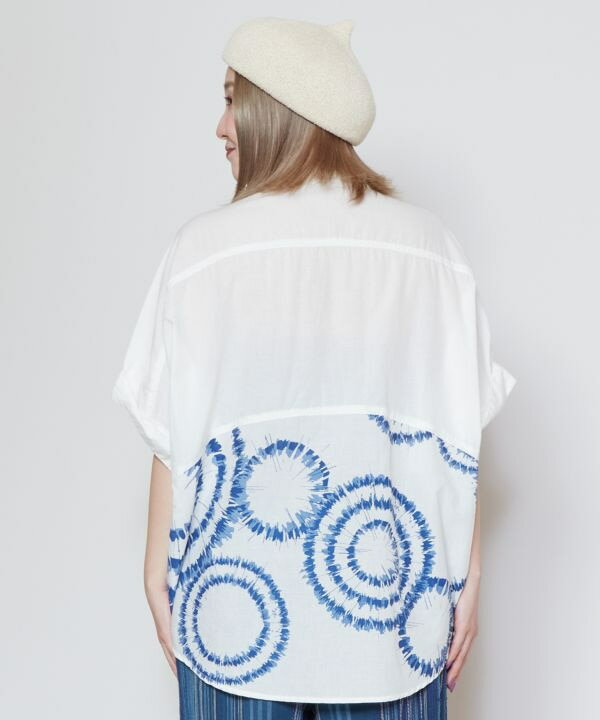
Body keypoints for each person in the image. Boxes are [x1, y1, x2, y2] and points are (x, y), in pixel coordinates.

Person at [112, 16, 517, 720]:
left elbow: (168, 426)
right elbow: (458, 429)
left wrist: (155, 569)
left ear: (275, 110)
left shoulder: (202, 252)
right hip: (393, 630)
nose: (220, 126)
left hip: (233, 631)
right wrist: (470, 573)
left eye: (232, 99)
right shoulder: (430, 248)